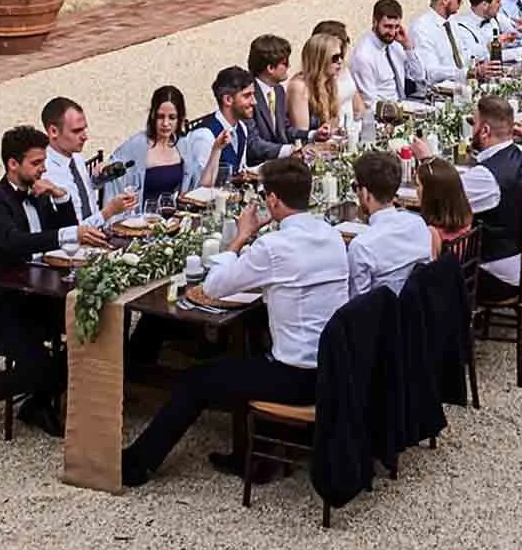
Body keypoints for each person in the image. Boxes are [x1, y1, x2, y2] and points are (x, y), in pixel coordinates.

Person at [120, 157, 350, 486]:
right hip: (333, 364)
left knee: (195, 381)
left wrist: (240, 237)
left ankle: (137, 465)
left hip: (298, 375)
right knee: (246, 348)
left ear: (272, 200)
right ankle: (252, 452)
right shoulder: (330, 236)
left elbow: (214, 286)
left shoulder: (274, 247)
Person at [0, 125, 76, 444]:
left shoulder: (38, 192)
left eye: (43, 161)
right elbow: (15, 243)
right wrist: (63, 235)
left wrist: (60, 198)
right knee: (38, 364)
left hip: (35, 296)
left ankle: (36, 402)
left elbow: (65, 229)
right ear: (12, 164)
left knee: (87, 331)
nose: (43, 168)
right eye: (36, 162)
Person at [457, 95, 522, 291]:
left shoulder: (486, 177)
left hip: (498, 270)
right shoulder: (521, 157)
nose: (472, 130)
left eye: (474, 123)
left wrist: (428, 163)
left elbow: (444, 202)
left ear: (485, 131)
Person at [344, 149, 434, 298]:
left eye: (356, 188)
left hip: (383, 318)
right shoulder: (418, 224)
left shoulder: (362, 247)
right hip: (420, 313)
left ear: (365, 193)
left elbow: (358, 306)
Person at [37, 95, 125, 243]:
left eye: (84, 129)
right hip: (69, 251)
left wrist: (99, 179)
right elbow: (64, 232)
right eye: (77, 131)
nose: (85, 137)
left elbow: (81, 191)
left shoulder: (73, 155)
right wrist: (108, 212)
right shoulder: (45, 173)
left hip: (96, 239)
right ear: (53, 131)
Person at [101, 86, 189, 214]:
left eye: (172, 117)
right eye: (160, 117)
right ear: (152, 115)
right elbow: (111, 175)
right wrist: (104, 169)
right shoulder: (136, 145)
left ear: (180, 118)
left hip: (171, 221)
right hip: (139, 222)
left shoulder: (182, 145)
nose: (165, 123)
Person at [181, 65, 259, 187]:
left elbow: (239, 171)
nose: (254, 102)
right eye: (247, 95)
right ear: (228, 100)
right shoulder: (204, 136)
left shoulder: (242, 128)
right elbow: (197, 188)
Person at [409, 0, 476, 88]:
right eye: (458, 0)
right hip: (437, 94)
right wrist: (466, 73)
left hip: (462, 87)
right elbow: (431, 72)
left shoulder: (451, 21)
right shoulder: (421, 29)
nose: (461, 4)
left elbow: (462, 55)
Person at [348, 0, 415, 108]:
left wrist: (407, 46)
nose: (393, 32)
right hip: (385, 115)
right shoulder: (363, 56)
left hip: (404, 104)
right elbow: (369, 103)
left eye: (396, 26)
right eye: (388, 26)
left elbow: (419, 76)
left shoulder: (395, 43)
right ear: (374, 22)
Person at [243, 34, 299, 162]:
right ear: (270, 68)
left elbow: (284, 128)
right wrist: (287, 150)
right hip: (257, 167)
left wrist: (313, 134)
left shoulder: (278, 90)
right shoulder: (248, 96)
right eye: (285, 63)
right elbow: (253, 144)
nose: (288, 67)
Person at [415, 157, 477, 262]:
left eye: (418, 185)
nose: (416, 190)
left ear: (431, 194)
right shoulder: (465, 216)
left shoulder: (432, 234)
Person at [288, 31, 345, 142]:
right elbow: (302, 136)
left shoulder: (329, 82)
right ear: (320, 60)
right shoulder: (300, 87)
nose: (340, 61)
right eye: (335, 58)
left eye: (341, 56)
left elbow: (333, 122)